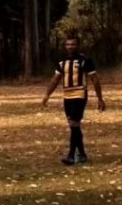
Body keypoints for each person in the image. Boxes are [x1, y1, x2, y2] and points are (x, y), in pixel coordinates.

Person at [42, 36, 105, 165]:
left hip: (80, 94)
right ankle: (82, 154)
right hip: (67, 96)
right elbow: (55, 79)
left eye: (73, 44)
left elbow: (95, 79)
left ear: (78, 45)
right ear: (65, 46)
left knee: (74, 124)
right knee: (73, 126)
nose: (70, 47)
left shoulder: (85, 61)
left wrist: (100, 98)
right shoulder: (62, 62)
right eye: (68, 44)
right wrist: (47, 94)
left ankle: (71, 156)